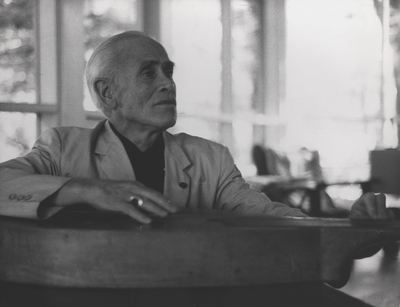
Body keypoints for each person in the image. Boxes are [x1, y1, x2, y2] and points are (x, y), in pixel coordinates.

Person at [0, 31, 394, 223]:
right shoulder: (61, 149)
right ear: (107, 93)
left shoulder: (209, 158)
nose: (168, 83)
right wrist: (87, 190)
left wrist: (341, 222)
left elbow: (268, 215)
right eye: (148, 73)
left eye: (168, 72)